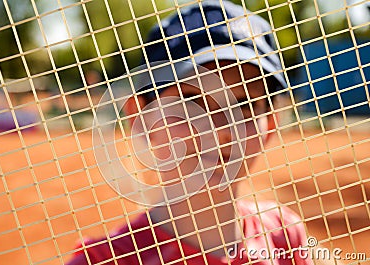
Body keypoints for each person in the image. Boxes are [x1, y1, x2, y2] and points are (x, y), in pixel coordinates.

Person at [67, 1, 313, 264]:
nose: (220, 130)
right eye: (191, 100)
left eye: (244, 104)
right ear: (140, 118)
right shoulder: (104, 260)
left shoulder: (285, 235)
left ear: (271, 123)